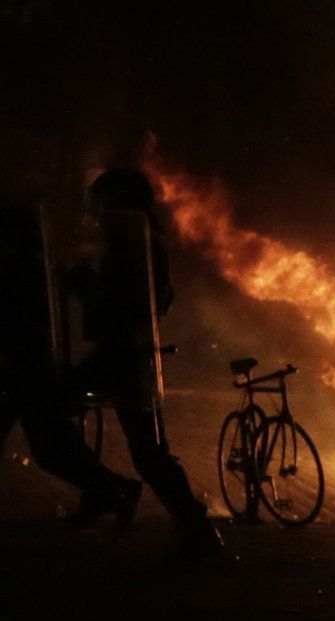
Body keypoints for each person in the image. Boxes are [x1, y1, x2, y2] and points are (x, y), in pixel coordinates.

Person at [65, 169, 222, 557]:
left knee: (146, 452)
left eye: (103, 202)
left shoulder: (137, 247)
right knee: (148, 452)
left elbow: (123, 310)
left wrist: (84, 286)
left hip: (124, 357)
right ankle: (117, 493)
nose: (97, 212)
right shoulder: (142, 244)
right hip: (125, 356)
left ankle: (114, 492)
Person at [0, 205, 139, 523]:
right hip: (25, 369)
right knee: (53, 445)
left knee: (52, 447)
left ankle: (111, 490)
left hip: (26, 370)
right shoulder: (27, 268)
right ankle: (113, 490)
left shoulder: (22, 272)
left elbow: (20, 324)